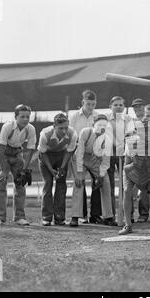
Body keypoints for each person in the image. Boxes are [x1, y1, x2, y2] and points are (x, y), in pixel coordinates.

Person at [0, 105, 36, 226]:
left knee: (20, 184)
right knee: (1, 182)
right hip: (3, 152)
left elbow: (31, 149)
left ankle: (19, 217)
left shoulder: (30, 129)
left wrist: (25, 169)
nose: (25, 119)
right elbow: (0, 148)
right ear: (16, 117)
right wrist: (4, 170)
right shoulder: (8, 126)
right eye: (22, 116)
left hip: (17, 153)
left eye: (28, 116)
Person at [70, 114, 117, 227]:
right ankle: (75, 216)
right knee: (79, 183)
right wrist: (80, 173)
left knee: (105, 182)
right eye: (99, 124)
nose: (102, 127)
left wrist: (101, 175)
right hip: (81, 158)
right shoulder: (86, 132)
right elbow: (80, 152)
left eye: (105, 125)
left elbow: (106, 160)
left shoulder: (108, 139)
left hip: (96, 161)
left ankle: (108, 217)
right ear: (93, 125)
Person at [120, 119, 150, 235]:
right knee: (127, 190)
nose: (147, 133)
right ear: (137, 131)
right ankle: (127, 225)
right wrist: (135, 164)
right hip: (131, 171)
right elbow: (126, 167)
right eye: (144, 130)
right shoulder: (131, 144)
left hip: (147, 171)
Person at [38, 113, 77, 226]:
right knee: (48, 183)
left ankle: (59, 217)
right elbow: (43, 153)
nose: (64, 131)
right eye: (61, 128)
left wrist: (62, 167)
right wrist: (51, 169)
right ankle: (47, 217)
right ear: (54, 126)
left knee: (61, 185)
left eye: (66, 127)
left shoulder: (73, 133)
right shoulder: (45, 134)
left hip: (62, 157)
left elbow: (69, 152)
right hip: (46, 158)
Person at [69, 89, 101, 224]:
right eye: (88, 104)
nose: (91, 107)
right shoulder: (74, 116)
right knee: (79, 182)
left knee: (99, 182)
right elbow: (70, 135)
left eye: (93, 104)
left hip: (94, 154)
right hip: (78, 152)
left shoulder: (98, 116)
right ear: (83, 102)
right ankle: (80, 215)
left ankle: (95, 215)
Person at [106, 96, 135, 221]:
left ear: (124, 107)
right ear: (110, 106)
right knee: (109, 185)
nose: (118, 107)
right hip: (109, 155)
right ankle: (110, 215)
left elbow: (131, 134)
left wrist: (123, 145)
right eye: (115, 105)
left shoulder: (128, 119)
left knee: (126, 185)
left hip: (124, 155)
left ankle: (128, 214)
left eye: (121, 105)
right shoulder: (106, 118)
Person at [130, 98, 150, 222]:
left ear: (144, 107)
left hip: (147, 156)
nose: (137, 109)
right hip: (133, 156)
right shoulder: (130, 122)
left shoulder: (149, 120)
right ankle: (130, 214)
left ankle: (143, 214)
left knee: (144, 188)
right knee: (131, 187)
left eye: (139, 106)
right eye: (135, 107)